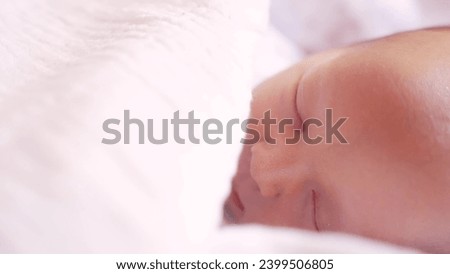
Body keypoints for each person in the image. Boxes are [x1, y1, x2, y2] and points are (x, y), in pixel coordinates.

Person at [223, 28, 450, 253]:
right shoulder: (243, 48)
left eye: (314, 213)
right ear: (326, 52)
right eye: (296, 113)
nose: (263, 169)